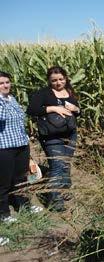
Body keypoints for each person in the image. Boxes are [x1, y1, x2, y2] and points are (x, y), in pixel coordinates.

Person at [27, 66, 80, 212]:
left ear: (65, 78)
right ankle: (55, 201)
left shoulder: (69, 91)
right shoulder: (44, 93)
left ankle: (64, 191)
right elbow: (31, 109)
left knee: (66, 164)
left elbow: (78, 110)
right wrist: (53, 108)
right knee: (57, 166)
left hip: (70, 134)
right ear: (49, 81)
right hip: (51, 136)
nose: (58, 82)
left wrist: (76, 109)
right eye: (54, 80)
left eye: (61, 79)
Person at [0, 71, 43, 246]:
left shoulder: (12, 99)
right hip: (3, 147)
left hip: (20, 145)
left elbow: (20, 121)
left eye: (7, 82)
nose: (5, 85)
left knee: (21, 178)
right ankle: (3, 214)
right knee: (3, 182)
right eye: (1, 83)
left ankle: (24, 205)